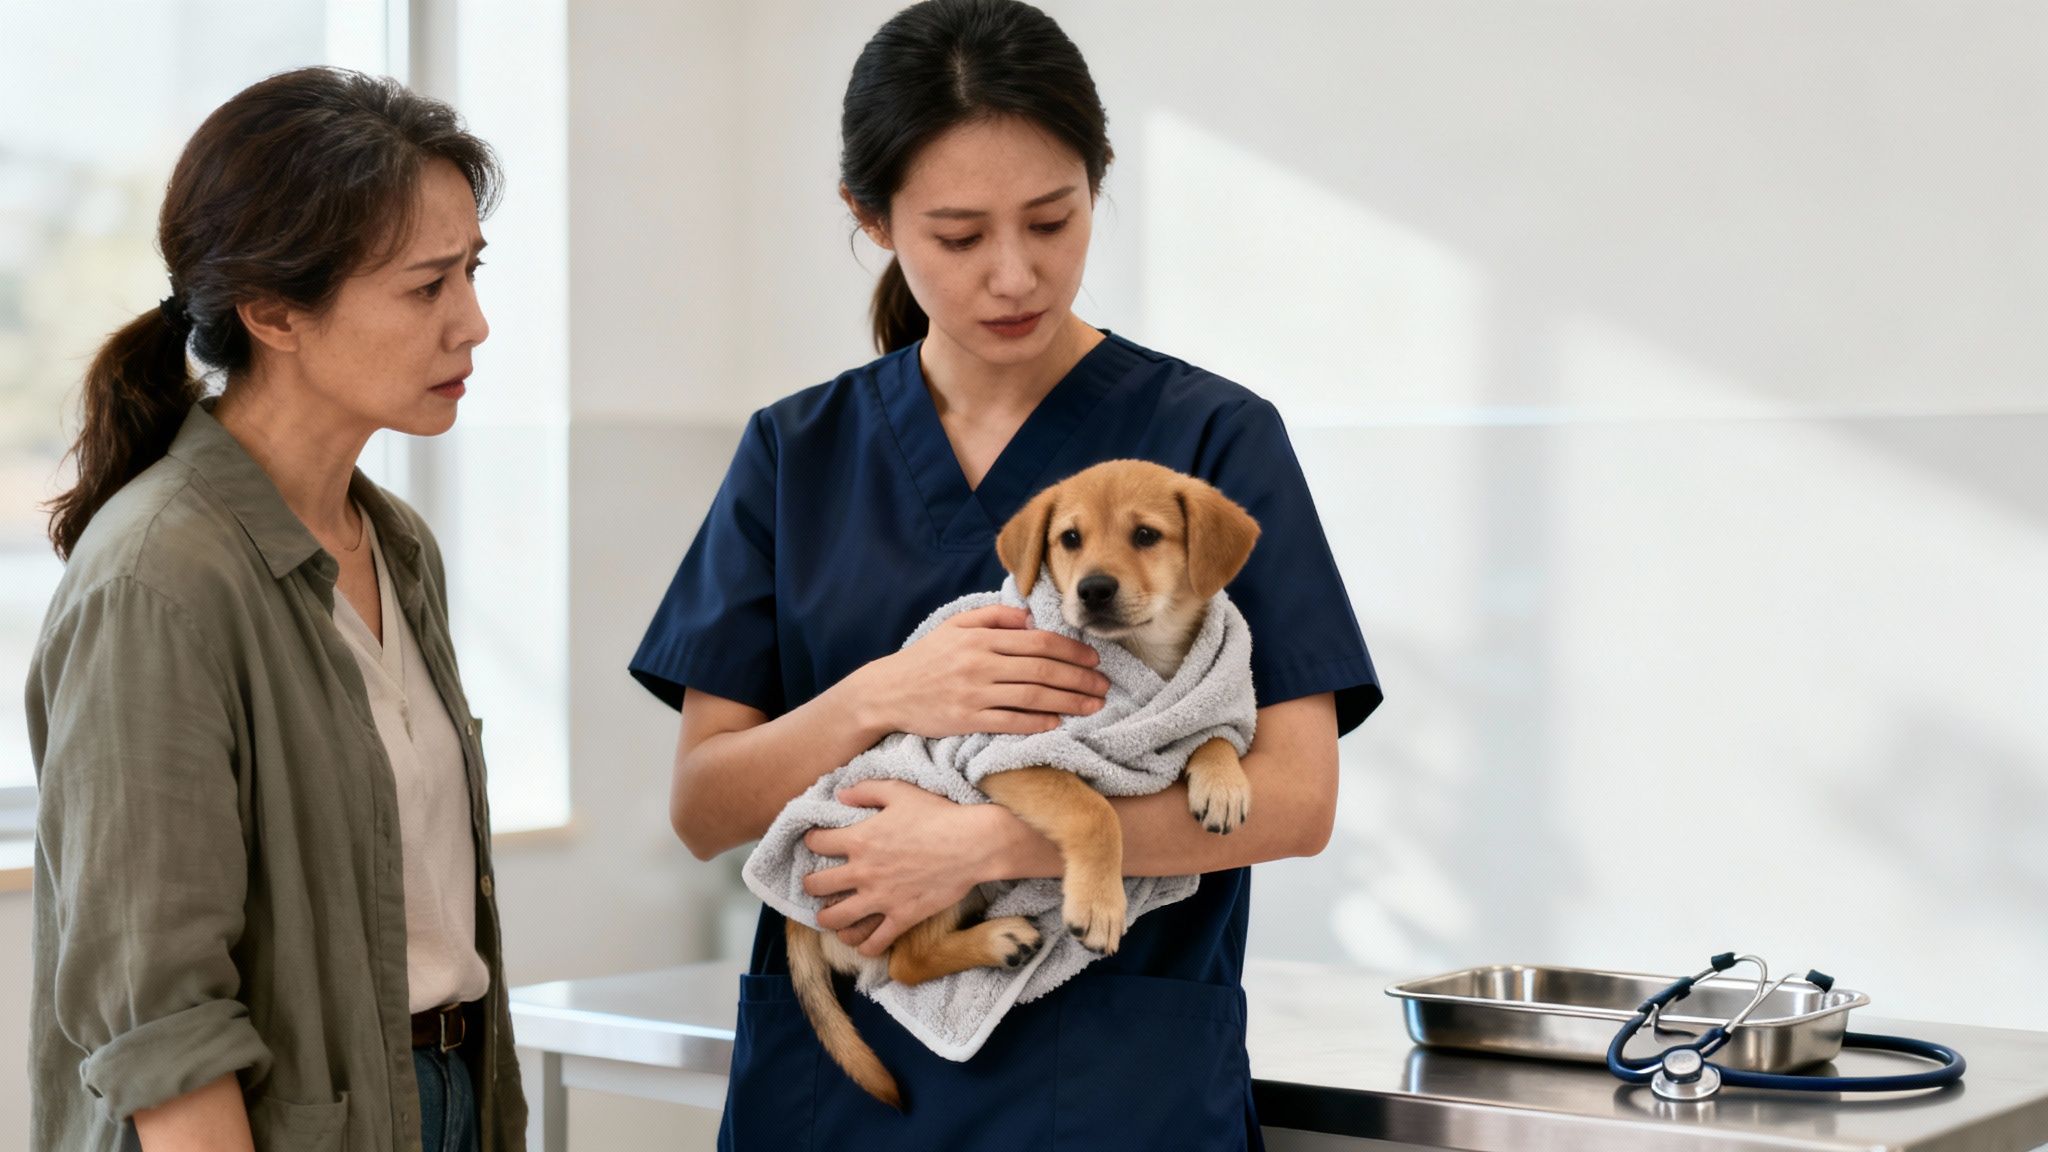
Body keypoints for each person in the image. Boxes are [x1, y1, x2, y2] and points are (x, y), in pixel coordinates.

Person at [631, 1, 1380, 1146]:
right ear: (870, 220)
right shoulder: (799, 451)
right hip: (845, 1089)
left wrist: (997, 842)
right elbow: (702, 807)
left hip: (1111, 1086)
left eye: (1051, 219)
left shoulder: (1211, 441)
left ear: (1098, 184)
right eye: (957, 235)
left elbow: (1294, 801)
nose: (1014, 275)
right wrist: (886, 695)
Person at [27, 67, 525, 1152]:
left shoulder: (393, 542)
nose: (473, 324)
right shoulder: (158, 580)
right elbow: (163, 1025)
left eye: (471, 273)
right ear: (271, 312)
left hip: (441, 1099)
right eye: (426, 286)